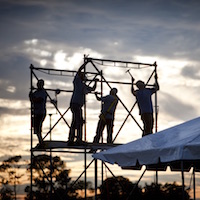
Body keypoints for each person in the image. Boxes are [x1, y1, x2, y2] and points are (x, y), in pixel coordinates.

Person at [68, 64, 98, 145]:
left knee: (75, 122)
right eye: (83, 75)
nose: (84, 76)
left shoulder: (83, 85)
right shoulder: (77, 82)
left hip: (77, 105)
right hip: (75, 104)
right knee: (79, 122)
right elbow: (79, 70)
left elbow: (92, 89)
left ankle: (71, 139)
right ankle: (78, 140)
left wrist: (95, 82)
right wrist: (86, 63)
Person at [29, 79, 47, 144]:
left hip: (41, 112)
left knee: (38, 127)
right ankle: (40, 141)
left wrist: (33, 99)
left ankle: (41, 142)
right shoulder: (36, 92)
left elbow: (39, 99)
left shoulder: (43, 92)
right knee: (36, 128)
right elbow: (31, 98)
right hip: (36, 112)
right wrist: (31, 94)